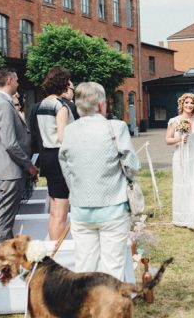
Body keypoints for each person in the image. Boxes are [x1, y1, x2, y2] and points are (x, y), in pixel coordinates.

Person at [59, 82, 139, 280]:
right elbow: (131, 165)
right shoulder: (116, 127)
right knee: (113, 267)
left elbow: (66, 168)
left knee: (85, 266)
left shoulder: (69, 131)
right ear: (102, 104)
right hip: (113, 205)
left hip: (80, 208)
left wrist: (77, 190)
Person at [0, 68, 37, 243]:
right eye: (16, 81)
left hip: (8, 169)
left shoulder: (0, 102)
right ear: (9, 80)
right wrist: (28, 164)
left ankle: (5, 253)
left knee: (6, 218)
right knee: (4, 219)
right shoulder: (2, 104)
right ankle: (2, 256)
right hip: (10, 170)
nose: (18, 84)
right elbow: (9, 142)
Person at [36, 67, 74, 240]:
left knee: (54, 210)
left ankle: (52, 246)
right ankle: (57, 251)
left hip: (46, 157)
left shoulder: (42, 104)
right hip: (59, 159)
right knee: (61, 212)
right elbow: (62, 136)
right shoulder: (61, 106)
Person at [165, 93, 194, 231]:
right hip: (180, 156)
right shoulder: (174, 120)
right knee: (183, 184)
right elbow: (167, 139)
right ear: (182, 105)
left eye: (192, 103)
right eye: (186, 103)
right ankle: (184, 217)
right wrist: (179, 139)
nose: (189, 105)